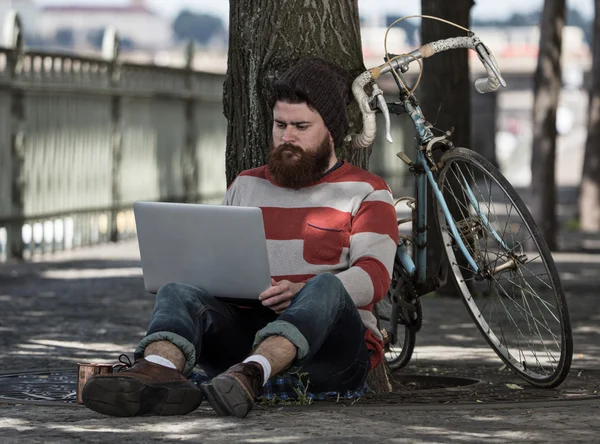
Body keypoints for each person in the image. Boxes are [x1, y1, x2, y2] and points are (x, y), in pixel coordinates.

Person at [81, 57, 399, 419]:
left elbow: (375, 277)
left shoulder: (368, 191)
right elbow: (216, 264)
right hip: (244, 338)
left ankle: (253, 374)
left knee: (326, 287)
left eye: (301, 126)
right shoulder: (246, 185)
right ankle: (158, 371)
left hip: (330, 354)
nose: (287, 137)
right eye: (280, 125)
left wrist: (301, 290)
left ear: (331, 130)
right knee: (176, 290)